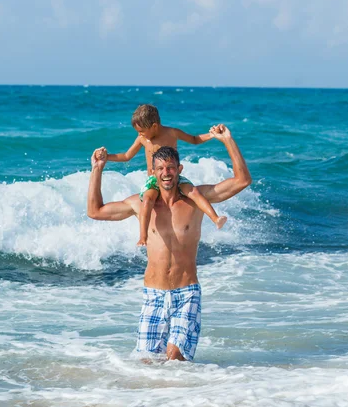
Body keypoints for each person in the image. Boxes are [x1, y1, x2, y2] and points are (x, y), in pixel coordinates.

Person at [88, 124, 251, 362]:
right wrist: (97, 169)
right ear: (153, 173)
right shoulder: (140, 203)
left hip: (187, 294)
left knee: (175, 360)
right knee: (147, 364)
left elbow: (242, 180)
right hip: (153, 295)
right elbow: (95, 211)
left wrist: (227, 140)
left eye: (171, 168)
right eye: (161, 169)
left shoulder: (195, 200)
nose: (166, 173)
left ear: (179, 169)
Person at [95, 104, 227, 248]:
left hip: (174, 177)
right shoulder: (142, 139)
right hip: (153, 180)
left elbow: (194, 139)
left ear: (154, 126)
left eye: (142, 131)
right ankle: (143, 236)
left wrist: (212, 135)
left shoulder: (172, 133)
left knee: (193, 192)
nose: (140, 134)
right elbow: (126, 156)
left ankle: (215, 218)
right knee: (147, 200)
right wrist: (107, 157)